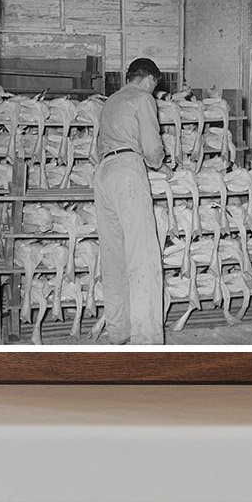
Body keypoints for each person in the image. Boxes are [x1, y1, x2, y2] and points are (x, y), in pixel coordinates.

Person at [93, 57, 167, 345]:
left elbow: (98, 144)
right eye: (154, 84)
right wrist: (161, 164)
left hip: (103, 174)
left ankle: (118, 331)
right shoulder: (143, 98)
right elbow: (151, 147)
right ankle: (146, 340)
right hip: (126, 170)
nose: (153, 89)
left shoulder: (111, 100)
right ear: (149, 78)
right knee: (143, 256)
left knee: (113, 256)